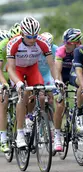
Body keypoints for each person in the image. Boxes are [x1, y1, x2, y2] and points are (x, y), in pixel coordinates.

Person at [7, 16, 57, 148]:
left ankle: (29, 118)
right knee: (22, 95)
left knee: (38, 92)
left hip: (32, 69)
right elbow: (10, 68)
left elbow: (52, 65)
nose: (33, 39)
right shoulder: (13, 43)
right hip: (16, 69)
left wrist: (57, 80)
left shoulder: (43, 42)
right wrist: (18, 83)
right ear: (22, 34)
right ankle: (20, 134)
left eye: (35, 36)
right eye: (29, 37)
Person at [53, 28, 83, 151]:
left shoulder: (81, 51)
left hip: (73, 74)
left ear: (77, 43)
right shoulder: (61, 51)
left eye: (69, 43)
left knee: (82, 88)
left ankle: (79, 115)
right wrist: (60, 85)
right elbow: (57, 71)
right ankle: (57, 135)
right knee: (60, 105)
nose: (66, 45)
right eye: (65, 42)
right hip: (61, 75)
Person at [0, 24, 21, 152]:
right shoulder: (3, 45)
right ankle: (2, 138)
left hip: (14, 75)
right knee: (4, 100)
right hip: (2, 75)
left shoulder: (24, 46)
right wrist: (4, 84)